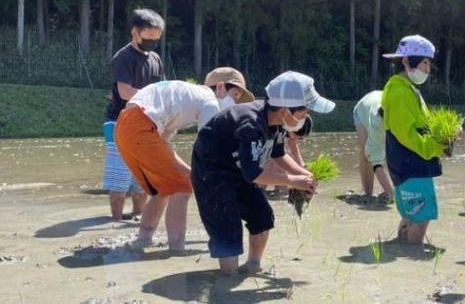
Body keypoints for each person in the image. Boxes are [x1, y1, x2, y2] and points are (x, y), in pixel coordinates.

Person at [191, 71, 335, 274]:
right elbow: (254, 174)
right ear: (285, 111)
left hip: (239, 171)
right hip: (212, 173)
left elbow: (278, 155)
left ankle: (252, 266)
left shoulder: (276, 125)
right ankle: (226, 280)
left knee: (262, 216)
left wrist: (304, 175)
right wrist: (294, 181)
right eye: (304, 112)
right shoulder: (250, 123)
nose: (306, 117)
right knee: (227, 228)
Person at [115, 67, 254, 251]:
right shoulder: (210, 102)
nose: (235, 105)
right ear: (220, 88)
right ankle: (176, 247)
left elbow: (164, 138)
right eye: (235, 95)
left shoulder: (187, 95)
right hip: (140, 125)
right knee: (184, 184)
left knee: (163, 187)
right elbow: (208, 147)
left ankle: (143, 239)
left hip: (124, 127)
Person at [381, 35, 445, 244]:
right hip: (412, 162)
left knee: (411, 213)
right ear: (407, 61)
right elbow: (405, 134)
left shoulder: (407, 88)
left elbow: (421, 124)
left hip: (409, 162)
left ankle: (400, 249)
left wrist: (446, 135)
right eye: (424, 62)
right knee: (422, 214)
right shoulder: (400, 91)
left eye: (429, 63)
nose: (427, 68)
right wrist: (434, 147)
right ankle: (411, 251)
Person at [102, 9, 164, 221]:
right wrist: (153, 98)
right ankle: (115, 221)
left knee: (143, 177)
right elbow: (124, 92)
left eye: (157, 38)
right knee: (119, 176)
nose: (153, 41)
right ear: (135, 33)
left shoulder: (155, 58)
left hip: (145, 124)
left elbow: (161, 90)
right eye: (149, 37)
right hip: (119, 122)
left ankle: (138, 217)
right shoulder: (124, 57)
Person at [353, 90, 394, 203]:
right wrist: (391, 193)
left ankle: (388, 190)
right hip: (361, 112)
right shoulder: (376, 123)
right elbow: (376, 161)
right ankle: (368, 193)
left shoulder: (401, 116)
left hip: (377, 100)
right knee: (366, 155)